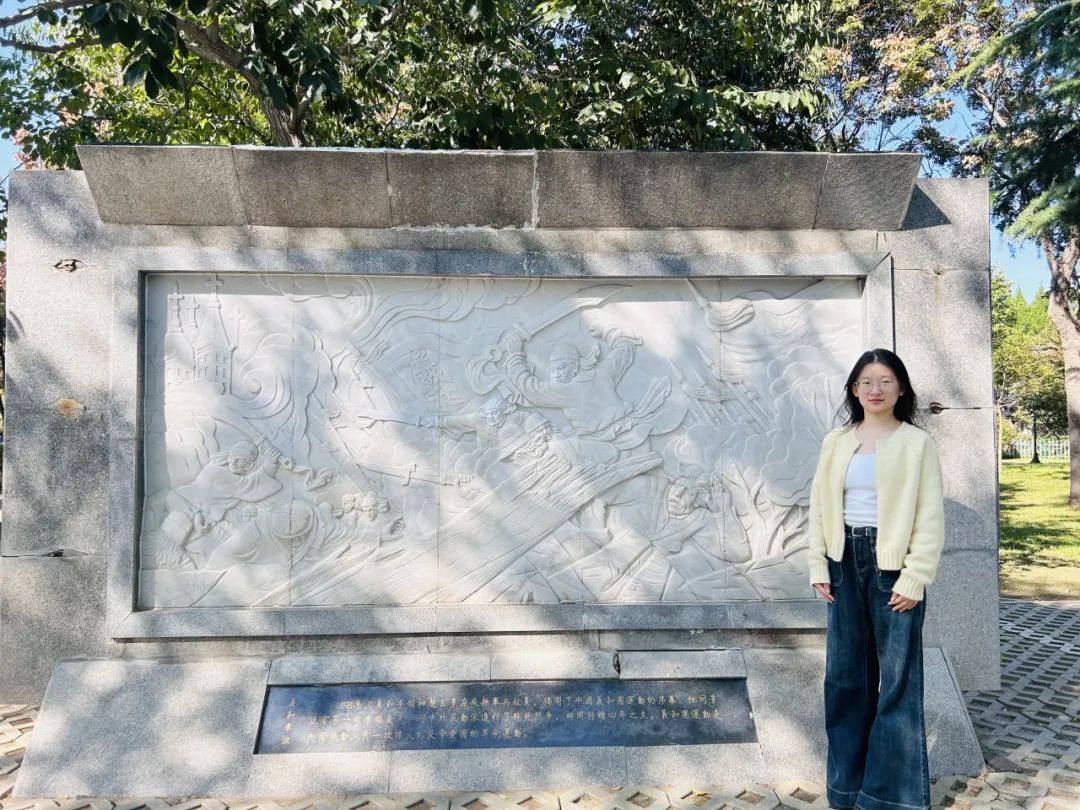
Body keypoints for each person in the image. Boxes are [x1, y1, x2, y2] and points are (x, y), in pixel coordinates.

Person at [807, 348, 945, 810]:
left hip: (893, 569)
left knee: (898, 683)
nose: (875, 389)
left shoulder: (916, 443)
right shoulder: (836, 442)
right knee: (844, 680)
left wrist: (915, 576)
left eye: (885, 381)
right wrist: (818, 566)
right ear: (854, 389)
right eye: (866, 381)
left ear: (901, 388)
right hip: (843, 563)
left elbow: (929, 515)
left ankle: (889, 798)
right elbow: (819, 508)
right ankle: (846, 791)